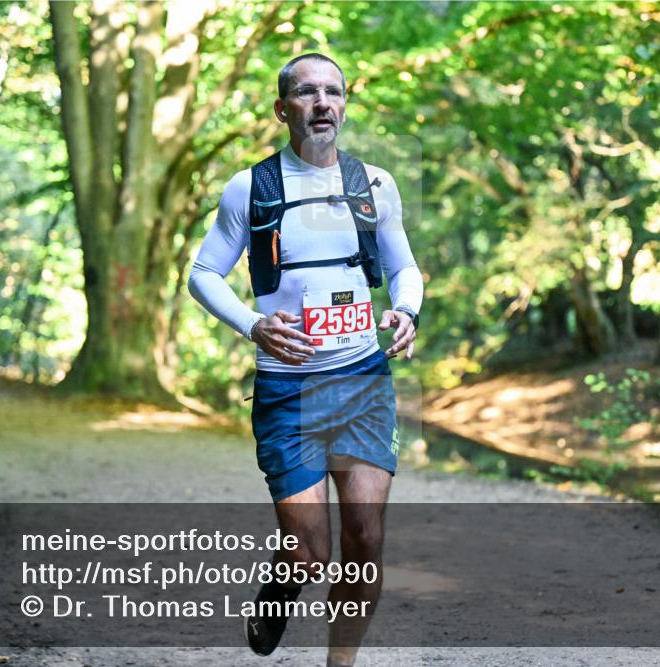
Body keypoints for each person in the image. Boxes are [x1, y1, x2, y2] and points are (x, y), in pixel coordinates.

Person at [188, 52, 423, 667]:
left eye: (334, 92)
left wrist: (404, 311)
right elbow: (203, 273)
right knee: (309, 551)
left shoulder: (373, 185)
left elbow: (403, 268)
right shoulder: (253, 187)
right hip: (288, 391)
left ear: (344, 105)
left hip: (363, 382)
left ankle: (338, 666)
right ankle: (278, 594)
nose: (323, 103)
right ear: (282, 109)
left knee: (366, 540)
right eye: (308, 93)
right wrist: (253, 324)